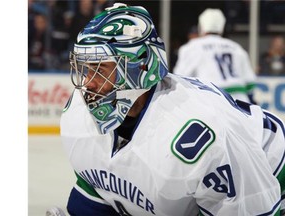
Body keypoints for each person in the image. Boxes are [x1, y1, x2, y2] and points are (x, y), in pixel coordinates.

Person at [59, 3, 285, 216]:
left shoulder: (198, 132)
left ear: (142, 66)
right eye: (85, 68)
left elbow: (252, 206)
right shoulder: (77, 112)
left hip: (268, 166)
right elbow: (93, 198)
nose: (88, 82)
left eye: (100, 69)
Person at [173, 8, 257, 104]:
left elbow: (179, 80)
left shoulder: (191, 47)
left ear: (201, 27)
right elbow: (250, 83)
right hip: (240, 101)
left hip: (212, 101)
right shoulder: (236, 47)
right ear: (222, 27)